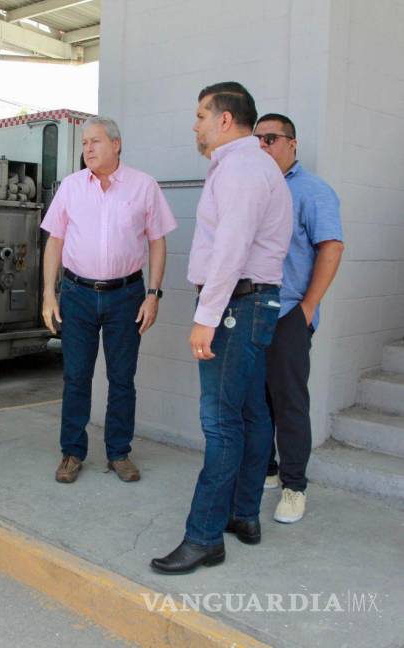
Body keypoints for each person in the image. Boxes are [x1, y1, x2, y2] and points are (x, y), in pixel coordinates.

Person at [151, 82, 292, 575]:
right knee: (251, 413)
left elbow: (231, 249)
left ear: (226, 120)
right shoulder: (248, 166)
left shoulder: (242, 168)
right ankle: (243, 514)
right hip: (250, 304)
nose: (195, 125)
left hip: (237, 306)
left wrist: (205, 318)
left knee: (221, 423)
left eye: (200, 115)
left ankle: (204, 536)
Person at [41, 116, 177, 484]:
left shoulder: (143, 186)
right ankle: (72, 452)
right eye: (84, 142)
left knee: (122, 378)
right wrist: (47, 294)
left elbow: (158, 240)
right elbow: (54, 240)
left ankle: (119, 452)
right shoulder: (71, 187)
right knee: (76, 376)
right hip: (77, 294)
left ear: (116, 144)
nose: (87, 148)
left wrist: (153, 293)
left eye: (95, 141)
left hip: (126, 295)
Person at [253, 113, 344, 523]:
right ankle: (268, 470)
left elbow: (331, 248)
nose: (262, 146)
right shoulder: (254, 188)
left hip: (289, 311)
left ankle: (294, 487)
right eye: (256, 139)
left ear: (292, 143)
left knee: (289, 402)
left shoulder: (312, 190)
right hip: (251, 310)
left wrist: (307, 309)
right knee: (257, 399)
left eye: (270, 138)